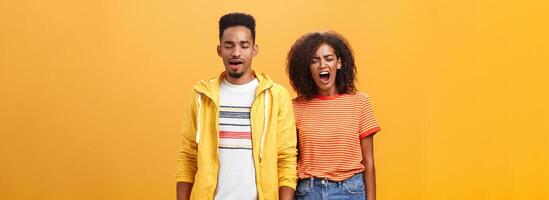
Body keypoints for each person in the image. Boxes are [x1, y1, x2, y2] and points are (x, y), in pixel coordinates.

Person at [176, 12, 297, 200]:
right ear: (219, 50)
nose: (236, 52)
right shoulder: (201, 96)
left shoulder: (276, 96)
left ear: (255, 49)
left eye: (244, 45)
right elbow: (187, 156)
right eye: (229, 45)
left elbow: (286, 159)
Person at [286, 31, 381, 200]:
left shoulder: (360, 102)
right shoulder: (295, 107)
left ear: (339, 63)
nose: (322, 65)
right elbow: (289, 163)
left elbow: (369, 163)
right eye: (314, 60)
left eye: (328, 58)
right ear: (307, 67)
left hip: (350, 191)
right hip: (308, 192)